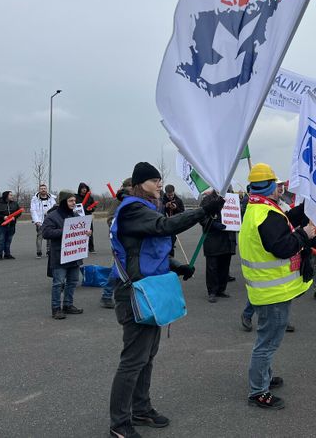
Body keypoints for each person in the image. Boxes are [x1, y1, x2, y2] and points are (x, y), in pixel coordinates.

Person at [108, 162, 223, 437]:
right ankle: (120, 423)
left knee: (147, 356)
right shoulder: (133, 209)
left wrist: (177, 266)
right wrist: (203, 211)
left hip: (152, 289)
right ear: (139, 184)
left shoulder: (146, 208)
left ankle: (141, 409)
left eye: (160, 180)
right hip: (135, 293)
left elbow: (147, 252)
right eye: (154, 180)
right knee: (133, 360)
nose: (160, 184)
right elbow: (163, 227)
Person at [239, 162, 315, 409]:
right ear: (271, 186)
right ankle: (258, 392)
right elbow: (282, 246)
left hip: (266, 289)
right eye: (277, 184)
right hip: (272, 291)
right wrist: (305, 235)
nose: (280, 187)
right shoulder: (266, 214)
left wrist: (306, 208)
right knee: (267, 342)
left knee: (266, 339)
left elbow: (283, 223)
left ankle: (265, 378)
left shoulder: (259, 208)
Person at [41, 190, 91, 319]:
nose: (74, 203)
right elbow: (46, 233)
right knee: (58, 283)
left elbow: (81, 231)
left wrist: (87, 232)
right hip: (59, 255)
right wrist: (65, 231)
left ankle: (68, 305)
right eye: (70, 200)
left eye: (74, 200)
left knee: (73, 281)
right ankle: (56, 308)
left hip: (74, 255)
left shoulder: (76, 216)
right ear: (63, 202)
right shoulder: (52, 216)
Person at [100, 178, 133, 309]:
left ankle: (123, 294)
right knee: (117, 268)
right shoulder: (118, 201)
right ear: (126, 187)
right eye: (132, 186)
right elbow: (110, 219)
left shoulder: (134, 199)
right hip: (120, 240)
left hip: (131, 239)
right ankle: (106, 295)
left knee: (128, 268)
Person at [204, 191, 236, 303]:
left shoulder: (232, 198)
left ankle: (221, 289)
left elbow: (238, 213)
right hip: (213, 238)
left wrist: (237, 222)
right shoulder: (208, 199)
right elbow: (202, 217)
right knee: (212, 267)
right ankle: (212, 291)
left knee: (225, 266)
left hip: (228, 238)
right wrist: (214, 225)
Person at [0, 191, 21, 260]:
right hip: (1, 226)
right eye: (10, 195)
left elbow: (19, 212)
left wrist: (15, 217)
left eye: (12, 195)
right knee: (0, 241)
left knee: (8, 240)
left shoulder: (15, 204)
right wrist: (3, 217)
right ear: (6, 196)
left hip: (11, 225)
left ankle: (7, 254)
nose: (12, 196)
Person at [30, 183, 56, 259]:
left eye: (44, 188)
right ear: (39, 190)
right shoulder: (34, 199)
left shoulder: (51, 198)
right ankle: (39, 252)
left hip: (50, 220)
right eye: (41, 188)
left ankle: (49, 251)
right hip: (40, 221)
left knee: (50, 237)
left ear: (46, 189)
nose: (43, 190)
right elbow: (33, 210)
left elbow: (54, 209)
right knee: (39, 236)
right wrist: (36, 221)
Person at [76, 182, 97, 253]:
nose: (84, 190)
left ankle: (91, 248)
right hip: (78, 217)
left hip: (88, 216)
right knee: (78, 233)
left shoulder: (90, 197)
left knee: (90, 232)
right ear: (80, 189)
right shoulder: (76, 197)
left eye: (85, 188)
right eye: (82, 188)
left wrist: (91, 209)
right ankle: (79, 248)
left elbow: (94, 206)